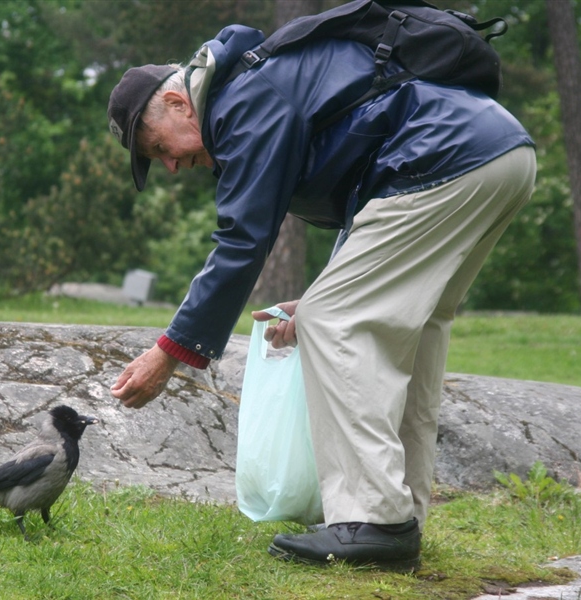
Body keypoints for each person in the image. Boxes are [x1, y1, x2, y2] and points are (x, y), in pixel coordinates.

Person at [107, 15, 536, 571]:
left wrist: (171, 352)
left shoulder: (242, 102)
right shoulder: (260, 84)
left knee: (337, 321)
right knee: (412, 327)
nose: (169, 166)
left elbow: (242, 241)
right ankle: (395, 517)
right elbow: (367, 199)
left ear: (179, 104)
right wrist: (320, 296)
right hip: (498, 154)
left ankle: (375, 522)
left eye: (159, 147)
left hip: (446, 159)